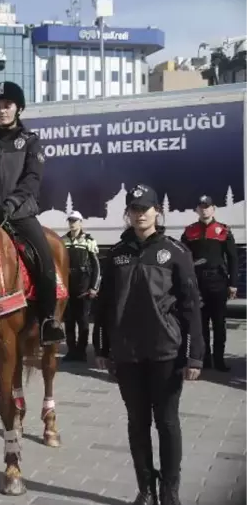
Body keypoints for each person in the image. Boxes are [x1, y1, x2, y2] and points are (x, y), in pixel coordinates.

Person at [94, 184, 204, 505]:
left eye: (146, 208)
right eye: (134, 209)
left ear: (158, 211)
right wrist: (101, 348)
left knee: (167, 423)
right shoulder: (116, 255)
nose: (140, 214)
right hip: (127, 354)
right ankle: (146, 488)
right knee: (137, 423)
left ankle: (170, 491)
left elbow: (190, 307)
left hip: (165, 353)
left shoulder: (176, 252)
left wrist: (195, 356)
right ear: (127, 213)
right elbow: (103, 306)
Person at [0, 81, 64, 345]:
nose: (2, 110)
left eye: (7, 105)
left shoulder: (30, 142)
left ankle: (48, 320)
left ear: (18, 108)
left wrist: (10, 204)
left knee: (44, 259)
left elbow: (31, 180)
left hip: (19, 215)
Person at [181, 195, 238, 372]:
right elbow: (183, 257)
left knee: (219, 323)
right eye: (201, 207)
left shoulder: (223, 231)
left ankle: (219, 360)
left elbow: (233, 258)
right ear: (197, 210)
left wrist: (233, 283)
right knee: (201, 323)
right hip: (198, 283)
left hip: (218, 283)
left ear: (213, 209)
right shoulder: (190, 232)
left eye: (207, 207)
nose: (204, 209)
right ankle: (204, 359)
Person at [61, 210, 100, 361]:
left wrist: (94, 287)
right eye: (70, 220)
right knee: (69, 321)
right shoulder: (62, 240)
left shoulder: (89, 240)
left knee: (83, 320)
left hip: (84, 287)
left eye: (75, 220)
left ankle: (82, 351)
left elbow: (96, 266)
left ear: (81, 222)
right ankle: (71, 351)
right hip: (68, 287)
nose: (72, 223)